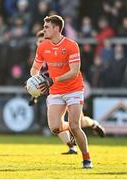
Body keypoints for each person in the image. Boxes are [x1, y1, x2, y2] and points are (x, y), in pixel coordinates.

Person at [30, 15, 93, 168]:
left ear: (56, 28)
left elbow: (74, 71)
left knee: (74, 126)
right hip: (56, 91)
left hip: (74, 89)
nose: (43, 30)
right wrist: (34, 81)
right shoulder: (43, 46)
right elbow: (34, 69)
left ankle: (86, 159)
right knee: (55, 128)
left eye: (46, 27)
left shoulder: (71, 45)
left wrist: (52, 80)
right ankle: (76, 126)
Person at [29, 30, 105, 155]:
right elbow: (35, 81)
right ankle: (71, 146)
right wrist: (34, 95)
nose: (41, 43)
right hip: (55, 92)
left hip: (70, 89)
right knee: (56, 124)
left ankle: (93, 124)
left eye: (43, 41)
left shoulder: (58, 52)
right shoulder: (40, 58)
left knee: (79, 122)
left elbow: (72, 70)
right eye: (39, 42)